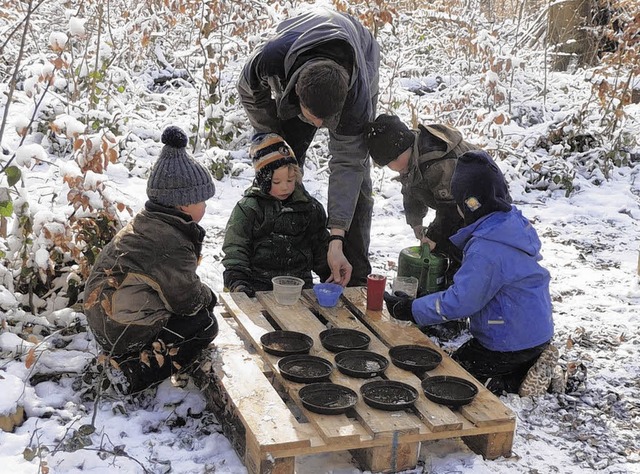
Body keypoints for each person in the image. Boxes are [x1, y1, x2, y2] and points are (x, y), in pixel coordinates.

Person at [383, 150, 557, 395]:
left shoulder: (487, 248)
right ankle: (529, 362)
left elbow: (460, 302)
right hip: (532, 329)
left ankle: (512, 382)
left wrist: (411, 309)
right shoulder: (509, 225)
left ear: (470, 203)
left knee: (454, 376)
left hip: (507, 339)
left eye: (458, 202)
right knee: (462, 357)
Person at [237, 7, 380, 286]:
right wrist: (270, 136)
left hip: (359, 49)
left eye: (327, 121)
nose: (318, 125)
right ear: (297, 94)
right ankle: (274, 264)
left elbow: (347, 163)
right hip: (296, 48)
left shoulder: (356, 100)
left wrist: (337, 235)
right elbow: (250, 94)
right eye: (315, 119)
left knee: (357, 176)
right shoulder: (269, 60)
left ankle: (350, 269)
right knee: (280, 163)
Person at [84, 126, 219, 396]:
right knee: (203, 325)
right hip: (120, 327)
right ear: (184, 204)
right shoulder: (169, 242)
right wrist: (209, 297)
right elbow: (186, 300)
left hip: (103, 316)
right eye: (202, 200)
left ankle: (125, 355)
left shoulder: (150, 224)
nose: (206, 205)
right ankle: (134, 372)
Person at [222, 134, 330, 295]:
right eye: (277, 182)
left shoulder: (309, 208)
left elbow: (320, 245)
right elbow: (236, 248)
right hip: (258, 286)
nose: (285, 187)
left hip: (300, 287)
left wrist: (329, 272)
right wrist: (238, 281)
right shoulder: (249, 209)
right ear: (264, 180)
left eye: (290, 180)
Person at [364, 114, 480, 264]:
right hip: (454, 205)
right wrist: (416, 221)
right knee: (441, 244)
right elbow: (411, 188)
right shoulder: (410, 158)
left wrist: (433, 235)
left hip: (479, 202)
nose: (393, 167)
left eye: (394, 161)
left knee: (460, 249)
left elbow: (450, 209)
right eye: (388, 164)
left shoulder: (437, 162)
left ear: (405, 148)